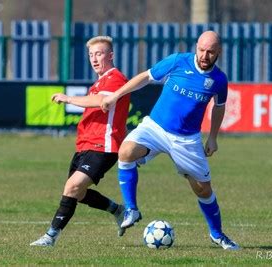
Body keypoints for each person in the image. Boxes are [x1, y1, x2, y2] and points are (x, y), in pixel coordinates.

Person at [101, 31, 239, 250]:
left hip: (187, 140)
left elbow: (219, 107)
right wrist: (115, 95)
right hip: (155, 127)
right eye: (201, 50)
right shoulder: (177, 61)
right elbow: (145, 77)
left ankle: (217, 234)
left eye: (210, 52)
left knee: (203, 190)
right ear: (196, 47)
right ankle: (131, 209)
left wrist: (213, 137)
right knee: (125, 152)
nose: (204, 55)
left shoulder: (219, 80)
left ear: (218, 52)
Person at [30, 36, 131, 247]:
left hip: (103, 146)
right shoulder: (99, 82)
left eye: (99, 54)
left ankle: (50, 236)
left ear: (110, 55)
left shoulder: (115, 78)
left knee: (73, 187)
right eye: (91, 55)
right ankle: (118, 210)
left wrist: (68, 98)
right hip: (85, 145)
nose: (94, 59)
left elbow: (100, 102)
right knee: (78, 193)